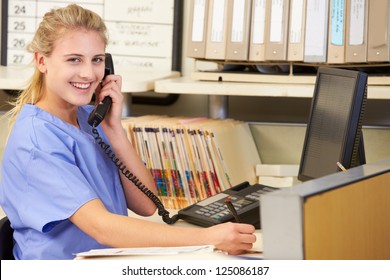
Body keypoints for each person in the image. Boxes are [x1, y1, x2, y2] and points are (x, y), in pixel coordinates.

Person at [0, 4, 256, 260]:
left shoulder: (89, 121)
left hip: (109, 261)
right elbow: (103, 228)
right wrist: (210, 238)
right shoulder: (37, 140)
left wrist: (114, 130)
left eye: (97, 60)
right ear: (41, 61)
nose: (88, 73)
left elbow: (146, 205)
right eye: (74, 59)